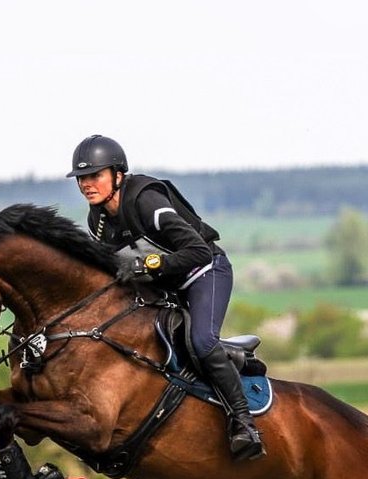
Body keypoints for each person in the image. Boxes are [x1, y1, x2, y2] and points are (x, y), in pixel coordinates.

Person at [67, 134, 265, 461]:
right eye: (81, 178)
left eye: (95, 176)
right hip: (166, 287)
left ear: (118, 175)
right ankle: (231, 355)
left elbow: (198, 251)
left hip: (204, 272)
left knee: (201, 342)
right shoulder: (98, 221)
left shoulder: (146, 201)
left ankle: (243, 423)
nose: (87, 184)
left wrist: (146, 264)